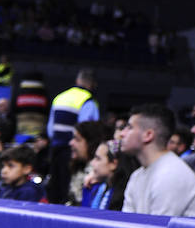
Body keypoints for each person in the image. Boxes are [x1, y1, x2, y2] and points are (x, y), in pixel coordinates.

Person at [120, 103, 195, 217]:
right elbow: (127, 225)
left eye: (130, 127)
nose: (122, 134)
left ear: (148, 135)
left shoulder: (172, 175)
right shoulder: (137, 175)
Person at [46, 68, 99, 204]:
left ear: (77, 81)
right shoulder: (89, 101)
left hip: (55, 150)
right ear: (92, 84)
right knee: (69, 193)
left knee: (55, 191)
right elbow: (89, 131)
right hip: (74, 155)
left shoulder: (60, 97)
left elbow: (50, 130)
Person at [85, 139, 140, 210]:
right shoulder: (100, 187)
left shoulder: (123, 195)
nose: (92, 163)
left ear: (113, 164)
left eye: (98, 159)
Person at [68, 121, 106, 206]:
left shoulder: (100, 176)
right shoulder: (77, 167)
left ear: (91, 143)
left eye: (77, 139)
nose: (71, 143)